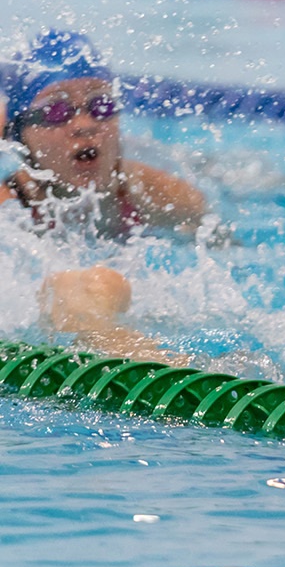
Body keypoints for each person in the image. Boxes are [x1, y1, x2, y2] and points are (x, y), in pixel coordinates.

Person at [2, 30, 207, 361]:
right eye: (56, 111)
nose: (85, 125)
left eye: (101, 104)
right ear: (18, 133)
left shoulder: (162, 195)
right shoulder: (8, 209)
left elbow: (226, 252)